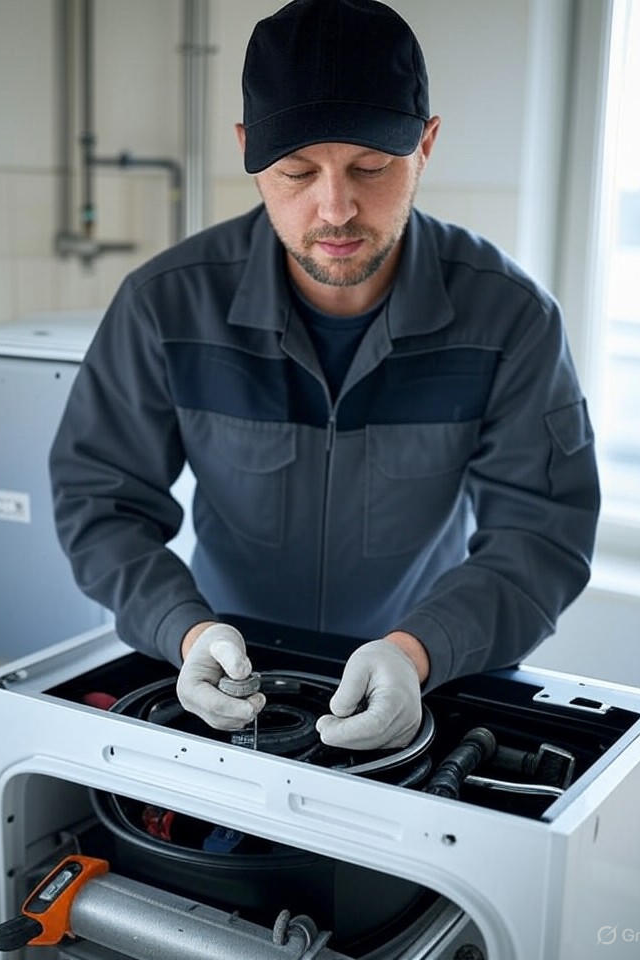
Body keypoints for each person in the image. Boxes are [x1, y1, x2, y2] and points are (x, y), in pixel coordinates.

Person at [49, 0, 600, 752]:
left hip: (432, 684)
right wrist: (185, 630)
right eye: (296, 171)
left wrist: (418, 651)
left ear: (426, 145)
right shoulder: (164, 306)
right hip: (224, 689)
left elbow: (542, 537)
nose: (335, 208)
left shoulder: (511, 319)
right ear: (249, 152)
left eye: (371, 167)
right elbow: (99, 503)